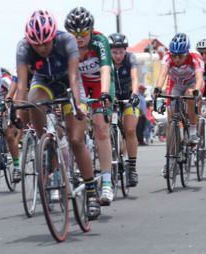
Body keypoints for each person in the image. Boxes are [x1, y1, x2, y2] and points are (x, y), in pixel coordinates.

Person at [15, 10, 100, 219]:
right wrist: (17, 112)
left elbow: (73, 78)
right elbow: (22, 85)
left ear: (53, 36)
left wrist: (79, 105)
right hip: (43, 82)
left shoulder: (67, 41)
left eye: (46, 43)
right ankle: (47, 147)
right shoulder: (23, 47)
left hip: (68, 84)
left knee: (75, 139)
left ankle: (91, 192)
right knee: (33, 102)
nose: (42, 48)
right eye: (37, 45)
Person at [65, 7, 115, 205]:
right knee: (74, 122)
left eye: (84, 34)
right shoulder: (67, 45)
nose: (79, 38)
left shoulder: (99, 41)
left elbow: (105, 70)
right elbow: (72, 76)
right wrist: (79, 104)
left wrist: (103, 94)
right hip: (80, 84)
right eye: (74, 34)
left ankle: (106, 184)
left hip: (99, 83)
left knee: (101, 127)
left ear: (91, 31)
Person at [153, 33, 204, 177]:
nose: (177, 59)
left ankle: (193, 130)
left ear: (187, 52)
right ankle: (170, 159)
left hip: (192, 84)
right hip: (176, 85)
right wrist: (158, 88)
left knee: (189, 95)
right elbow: (163, 75)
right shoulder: (167, 57)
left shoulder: (195, 58)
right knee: (171, 120)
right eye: (174, 56)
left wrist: (196, 90)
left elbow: (199, 78)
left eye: (180, 56)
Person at [108, 32, 140, 187]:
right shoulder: (106, 61)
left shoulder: (130, 58)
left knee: (130, 130)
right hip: (112, 98)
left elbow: (135, 78)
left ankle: (132, 167)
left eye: (121, 52)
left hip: (128, 98)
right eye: (114, 52)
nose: (118, 55)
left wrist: (134, 94)